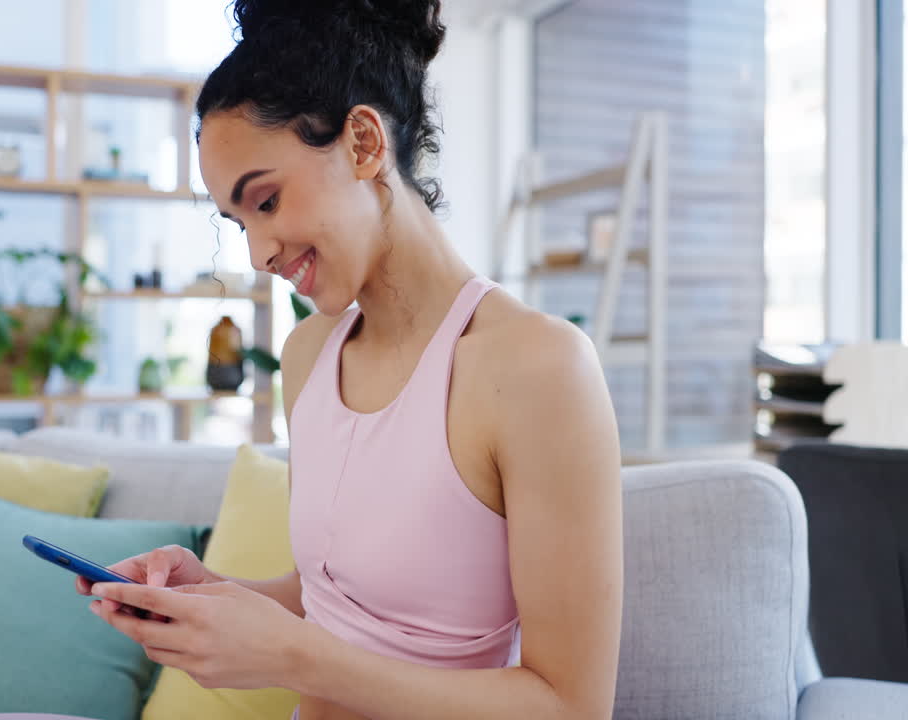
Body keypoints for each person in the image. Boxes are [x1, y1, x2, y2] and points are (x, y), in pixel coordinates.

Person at [76, 1, 623, 717]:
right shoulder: (308, 356)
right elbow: (331, 603)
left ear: (364, 143)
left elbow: (572, 707)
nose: (258, 254)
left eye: (266, 201)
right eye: (238, 223)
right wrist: (210, 595)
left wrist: (295, 659)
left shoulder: (536, 368)